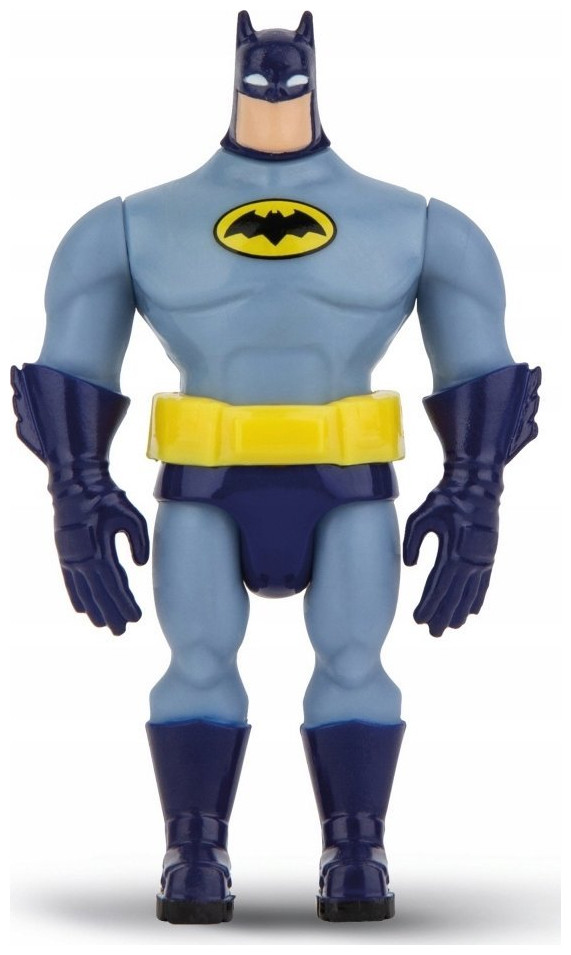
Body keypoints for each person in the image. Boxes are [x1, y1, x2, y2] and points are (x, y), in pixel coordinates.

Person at [12, 10, 540, 924]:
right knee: (198, 657)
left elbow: (480, 369)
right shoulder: (135, 225)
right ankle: (193, 847)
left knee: (353, 657)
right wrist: (77, 489)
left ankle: (356, 846)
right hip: (205, 487)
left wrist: (473, 489)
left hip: (345, 486)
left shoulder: (414, 225)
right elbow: (71, 367)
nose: (274, 74)